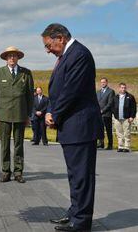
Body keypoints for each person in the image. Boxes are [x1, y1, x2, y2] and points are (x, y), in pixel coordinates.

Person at [42, 23, 103, 232]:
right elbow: (56, 90)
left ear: (60, 37)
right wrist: (50, 111)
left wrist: (54, 115)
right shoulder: (65, 57)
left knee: (82, 176)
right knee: (74, 175)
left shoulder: (80, 54)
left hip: (80, 126)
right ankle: (75, 212)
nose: (47, 49)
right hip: (71, 127)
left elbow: (71, 91)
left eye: (49, 45)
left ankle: (81, 221)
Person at [0, 46, 34, 184]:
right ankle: (5, 171)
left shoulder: (26, 73)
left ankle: (18, 172)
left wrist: (28, 115)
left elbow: (29, 96)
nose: (12, 58)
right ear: (6, 58)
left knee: (19, 145)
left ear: (18, 58)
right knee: (4, 145)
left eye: (14, 56)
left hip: (20, 114)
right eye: (9, 56)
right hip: (4, 114)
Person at [111, 83, 136, 152]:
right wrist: (114, 114)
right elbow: (112, 106)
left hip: (126, 118)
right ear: (119, 88)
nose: (123, 89)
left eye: (124, 87)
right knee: (119, 133)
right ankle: (120, 146)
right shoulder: (115, 97)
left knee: (127, 133)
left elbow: (133, 108)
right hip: (117, 118)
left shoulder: (130, 97)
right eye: (122, 87)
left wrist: (132, 116)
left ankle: (127, 147)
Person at [96, 77, 115, 150]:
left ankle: (110, 145)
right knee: (100, 129)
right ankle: (101, 144)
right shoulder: (98, 92)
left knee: (108, 130)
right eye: (101, 82)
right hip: (99, 115)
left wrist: (102, 110)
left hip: (107, 114)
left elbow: (110, 103)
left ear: (107, 82)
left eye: (104, 82)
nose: (102, 83)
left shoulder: (111, 91)